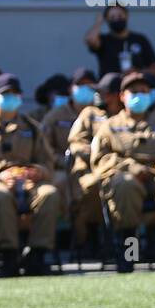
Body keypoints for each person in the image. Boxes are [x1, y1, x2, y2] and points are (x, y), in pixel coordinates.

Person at [92, 71, 155, 272]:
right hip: (129, 177)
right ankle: (129, 254)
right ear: (122, 96)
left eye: (144, 91)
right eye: (134, 91)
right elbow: (100, 160)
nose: (140, 95)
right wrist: (131, 167)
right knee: (125, 184)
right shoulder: (110, 127)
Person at [0, 73, 59, 277]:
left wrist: (37, 171)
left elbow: (47, 162)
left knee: (49, 193)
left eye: (15, 94)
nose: (10, 98)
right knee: (1, 196)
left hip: (27, 183)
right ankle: (9, 256)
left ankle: (37, 254)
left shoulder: (32, 127)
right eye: (5, 94)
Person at [39, 67, 98, 239]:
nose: (85, 89)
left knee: (96, 185)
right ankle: (71, 234)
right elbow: (44, 146)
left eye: (90, 85)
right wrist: (60, 160)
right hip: (61, 167)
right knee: (63, 184)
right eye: (81, 85)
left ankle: (94, 232)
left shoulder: (101, 114)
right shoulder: (55, 115)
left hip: (93, 166)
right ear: (71, 89)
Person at [67, 71, 123, 249]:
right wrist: (97, 154)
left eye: (104, 92)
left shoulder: (127, 116)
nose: (99, 96)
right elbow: (76, 143)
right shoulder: (90, 114)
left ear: (117, 95)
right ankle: (92, 235)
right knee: (92, 186)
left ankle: (130, 245)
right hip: (92, 170)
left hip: (122, 170)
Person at [83, 3, 155, 77]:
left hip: (134, 86)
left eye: (120, 16)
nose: (116, 19)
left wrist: (137, 73)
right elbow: (90, 40)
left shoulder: (140, 39)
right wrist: (98, 23)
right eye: (112, 17)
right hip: (110, 87)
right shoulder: (103, 40)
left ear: (127, 16)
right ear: (107, 20)